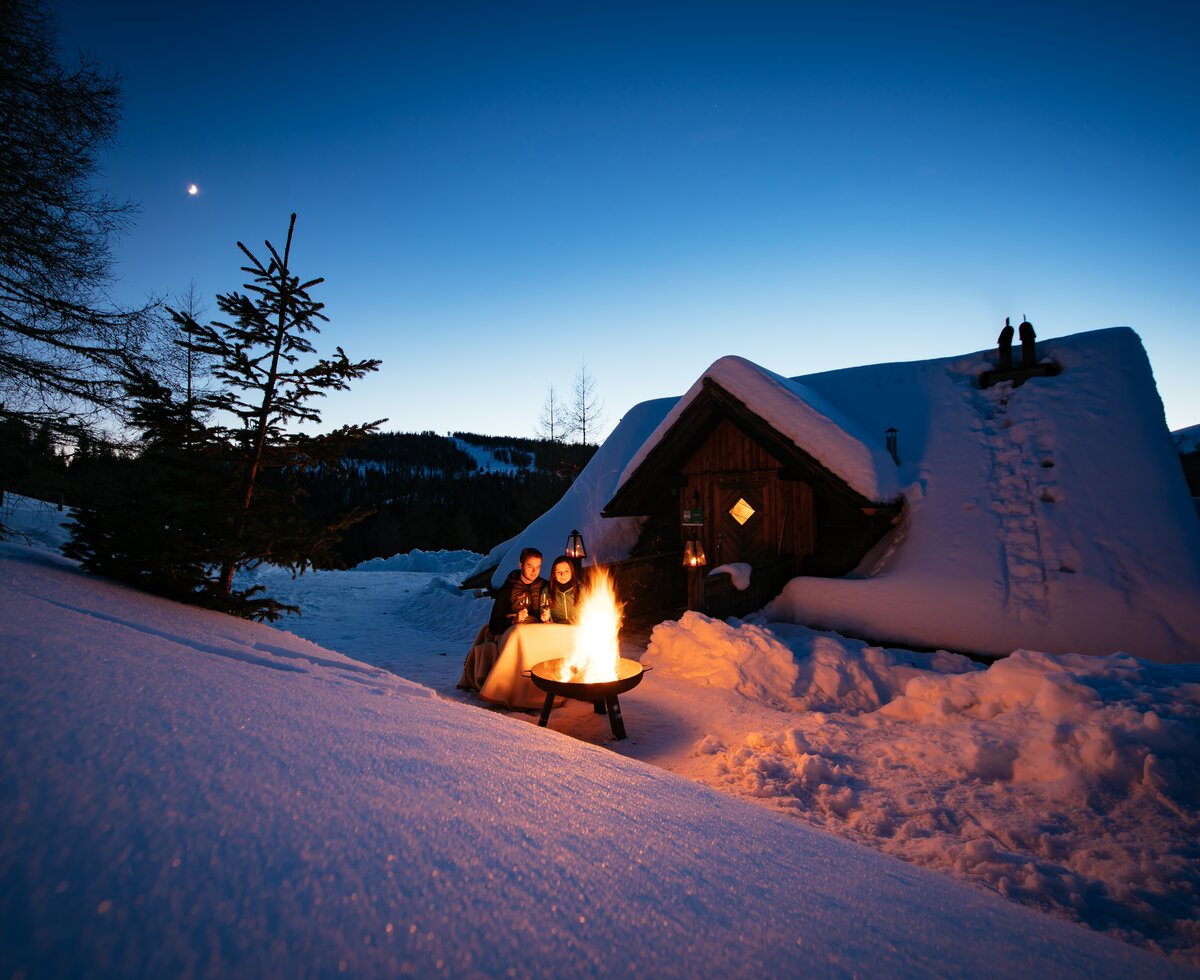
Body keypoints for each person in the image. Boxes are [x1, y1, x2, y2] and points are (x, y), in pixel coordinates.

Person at [487, 547, 550, 637]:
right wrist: (513, 620)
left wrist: (547, 617)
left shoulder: (544, 586)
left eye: (538, 567)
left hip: (538, 633)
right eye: (530, 566)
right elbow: (493, 626)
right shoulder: (509, 589)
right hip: (516, 634)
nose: (534, 571)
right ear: (521, 565)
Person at [546, 555, 582, 624]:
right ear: (553, 574)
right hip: (556, 630)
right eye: (558, 572)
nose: (562, 575)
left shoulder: (581, 589)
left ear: (572, 571)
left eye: (566, 571)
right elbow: (544, 616)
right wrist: (545, 618)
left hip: (578, 629)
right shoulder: (547, 591)